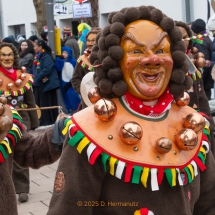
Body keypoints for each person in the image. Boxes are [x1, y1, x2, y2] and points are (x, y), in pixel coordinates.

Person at [48, 6, 215, 215]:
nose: (152, 59)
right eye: (136, 51)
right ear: (115, 61)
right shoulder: (86, 131)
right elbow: (69, 209)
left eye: (161, 50)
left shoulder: (193, 123)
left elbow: (209, 203)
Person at [0, 42, 63, 215]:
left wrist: (56, 133)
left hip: (20, 119)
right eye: (3, 55)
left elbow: (29, 151)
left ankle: (22, 189)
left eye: (9, 54)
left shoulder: (22, 77)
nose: (6, 58)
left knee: (17, 161)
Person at [175, 21, 215, 155]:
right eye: (178, 37)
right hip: (179, 126)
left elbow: (201, 95)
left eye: (184, 37)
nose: (182, 41)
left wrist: (207, 119)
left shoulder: (192, 61)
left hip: (199, 119)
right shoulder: (168, 66)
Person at [30, 39, 60, 126]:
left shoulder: (46, 56)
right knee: (39, 103)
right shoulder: (37, 56)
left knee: (46, 103)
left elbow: (47, 69)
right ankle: (41, 120)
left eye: (35, 46)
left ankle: (48, 120)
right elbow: (33, 69)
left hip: (46, 85)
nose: (34, 48)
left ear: (40, 47)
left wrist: (37, 78)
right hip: (38, 84)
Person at [72, 27, 101, 109]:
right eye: (88, 40)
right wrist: (85, 92)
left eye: (93, 40)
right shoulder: (82, 60)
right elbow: (75, 79)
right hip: (88, 103)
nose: (90, 43)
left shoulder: (107, 59)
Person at [191, 19, 213, 100]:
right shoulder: (206, 39)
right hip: (207, 79)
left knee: (204, 101)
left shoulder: (201, 42)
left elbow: (203, 63)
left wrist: (200, 80)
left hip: (204, 79)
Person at [55, 46, 81, 114]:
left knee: (72, 95)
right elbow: (58, 68)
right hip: (63, 82)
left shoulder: (73, 61)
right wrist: (60, 60)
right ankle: (69, 109)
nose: (64, 54)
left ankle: (76, 108)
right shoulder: (61, 60)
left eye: (65, 53)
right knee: (65, 97)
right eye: (63, 52)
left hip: (71, 83)